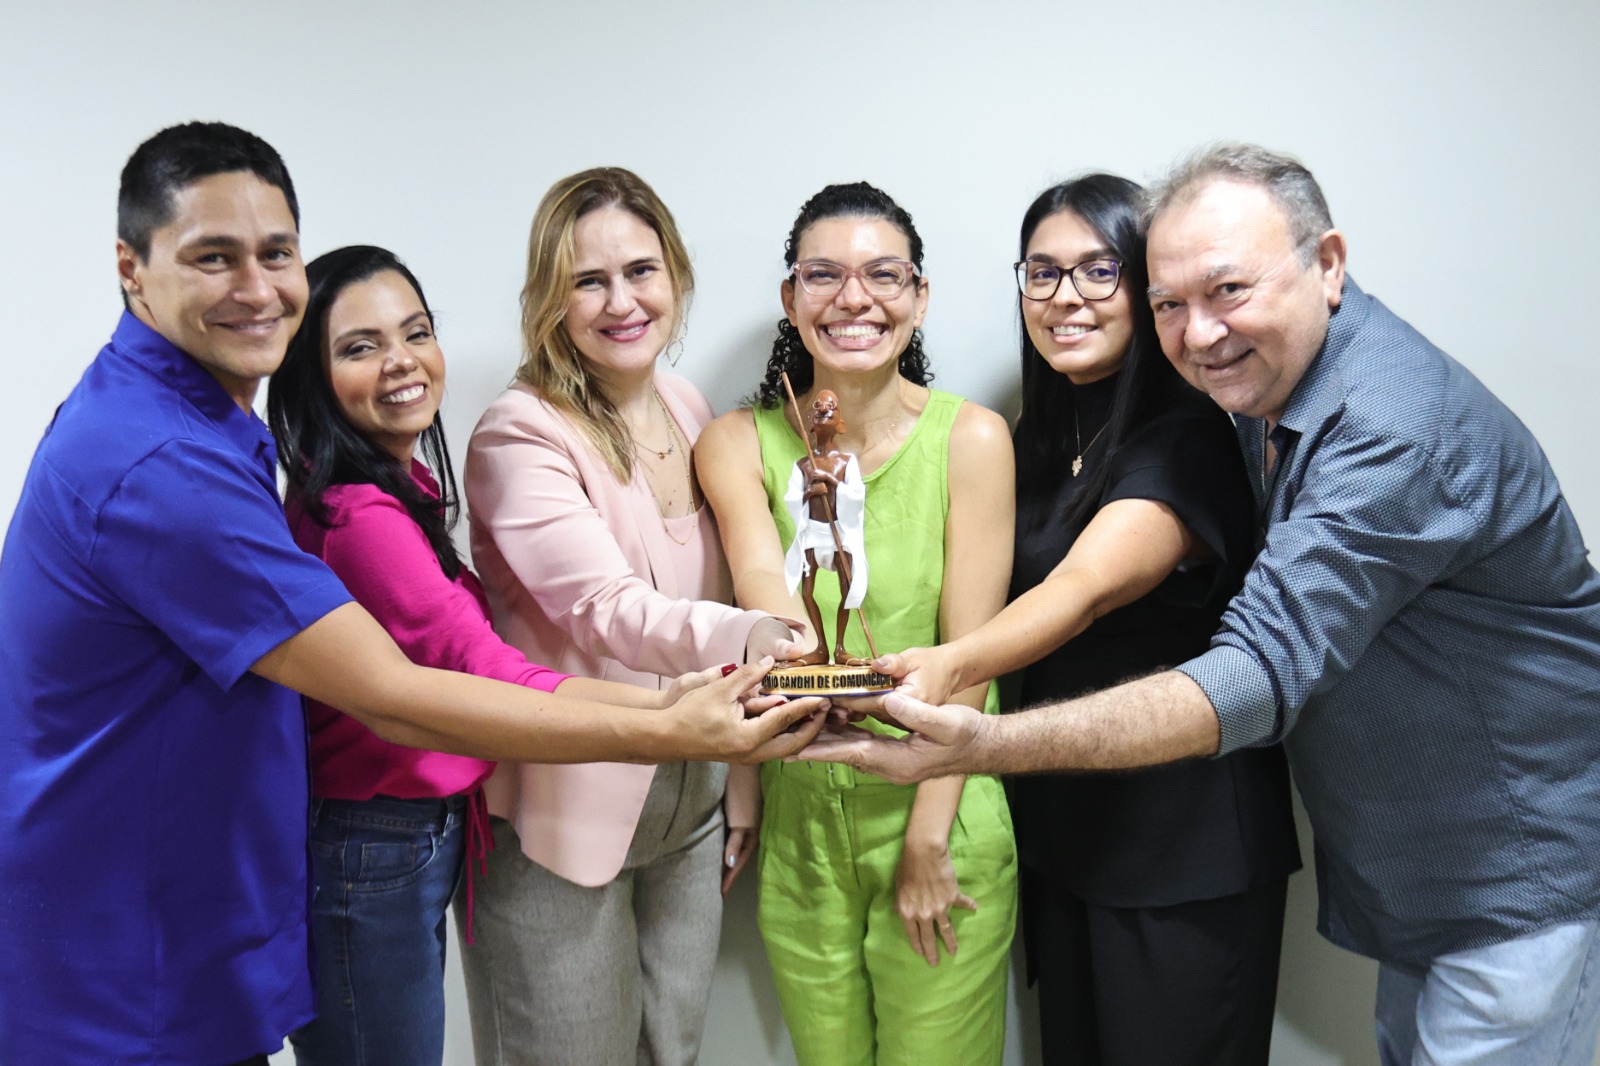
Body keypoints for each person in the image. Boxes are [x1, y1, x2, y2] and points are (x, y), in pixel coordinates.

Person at [0, 123, 820, 1066]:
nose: (257, 288)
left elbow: (480, 662)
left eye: (275, 254)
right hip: (124, 945)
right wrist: (675, 720)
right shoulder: (168, 465)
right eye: (211, 258)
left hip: (194, 897)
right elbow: (401, 690)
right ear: (131, 268)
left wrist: (696, 726)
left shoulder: (212, 424)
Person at [809, 144, 1600, 1066]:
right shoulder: (1263, 387)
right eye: (1172, 304)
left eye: (1229, 290)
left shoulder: (1388, 429)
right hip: (1421, 873)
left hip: (1511, 868)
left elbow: (1253, 669)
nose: (1201, 331)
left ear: (1329, 265)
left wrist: (979, 729)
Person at [875, 173, 1300, 1064]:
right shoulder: (1032, 438)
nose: (1065, 297)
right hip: (1064, 835)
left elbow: (1083, 592)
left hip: (1185, 852)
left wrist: (943, 668)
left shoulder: (1190, 431)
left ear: (1145, 290)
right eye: (1043, 272)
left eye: (1099, 272)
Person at [268, 244, 729, 1065]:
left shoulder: (393, 490)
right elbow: (494, 668)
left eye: (415, 332)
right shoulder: (359, 518)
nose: (402, 363)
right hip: (377, 839)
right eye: (360, 346)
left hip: (419, 831)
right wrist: (674, 717)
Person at [458, 167, 802, 1066]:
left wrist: (742, 778)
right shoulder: (518, 433)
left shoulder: (688, 409)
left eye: (641, 271)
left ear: (676, 276)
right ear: (549, 299)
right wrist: (756, 638)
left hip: (689, 801)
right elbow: (607, 609)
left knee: (672, 1054)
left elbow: (727, 579)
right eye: (588, 280)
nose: (622, 301)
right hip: (561, 814)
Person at [696, 181, 1018, 1065]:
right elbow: (761, 584)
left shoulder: (973, 440)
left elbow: (972, 656)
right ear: (790, 298)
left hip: (939, 802)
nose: (854, 299)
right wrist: (748, 785)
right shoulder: (735, 442)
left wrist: (926, 838)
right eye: (824, 275)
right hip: (801, 815)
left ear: (920, 295)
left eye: (883, 275)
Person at [787, 389, 869, 665]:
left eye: (831, 407)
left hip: (839, 536)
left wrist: (832, 483)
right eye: (818, 408)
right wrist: (810, 492)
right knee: (807, 592)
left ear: (840, 423)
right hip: (813, 533)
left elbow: (856, 496)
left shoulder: (847, 463)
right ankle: (820, 647)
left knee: (846, 589)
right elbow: (791, 498)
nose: (824, 410)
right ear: (810, 423)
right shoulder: (803, 464)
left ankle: (840, 648)